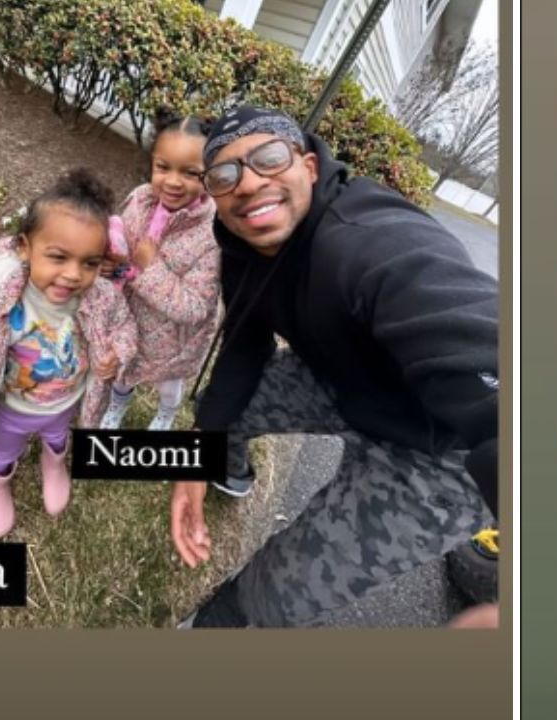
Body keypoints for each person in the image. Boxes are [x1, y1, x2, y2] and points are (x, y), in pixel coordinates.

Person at [171, 106, 499, 627]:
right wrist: (196, 452)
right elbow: (244, 342)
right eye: (225, 174)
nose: (249, 183)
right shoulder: (241, 240)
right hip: (340, 378)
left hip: (437, 456)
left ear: (310, 166)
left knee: (282, 590)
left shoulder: (370, 242)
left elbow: (485, 353)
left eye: (268, 159)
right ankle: (228, 472)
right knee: (221, 410)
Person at [0, 169, 137, 537]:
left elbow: (125, 327)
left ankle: (54, 464)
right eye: (58, 257)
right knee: (4, 452)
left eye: (90, 263)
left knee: (58, 438)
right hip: (11, 410)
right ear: (23, 247)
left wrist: (117, 352)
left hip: (66, 403)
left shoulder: (102, 298)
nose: (72, 274)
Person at [99, 108, 221, 431]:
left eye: (191, 173)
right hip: (128, 324)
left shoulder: (211, 234)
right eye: (163, 167)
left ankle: (166, 414)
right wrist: (109, 260)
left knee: (168, 387)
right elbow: (119, 257)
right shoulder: (139, 200)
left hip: (174, 341)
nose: (173, 182)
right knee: (123, 375)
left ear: (210, 174)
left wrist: (147, 268)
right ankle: (117, 405)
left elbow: (196, 307)